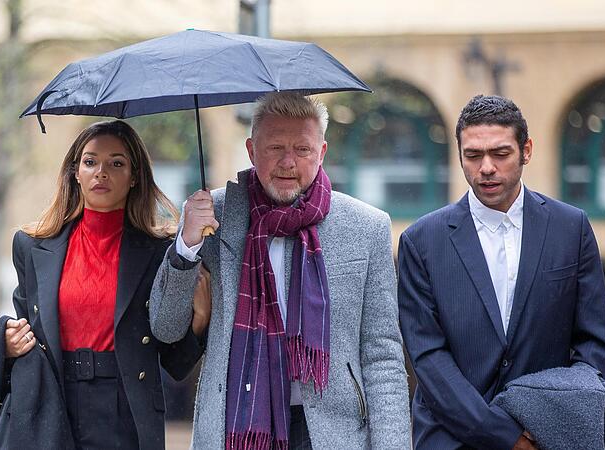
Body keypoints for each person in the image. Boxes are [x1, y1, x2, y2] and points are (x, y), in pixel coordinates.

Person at [149, 92, 411, 449]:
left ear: (322, 152)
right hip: (237, 427)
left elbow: (382, 356)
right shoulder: (212, 217)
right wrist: (186, 246)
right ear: (251, 150)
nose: (288, 162)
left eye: (302, 149)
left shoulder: (366, 227)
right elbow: (165, 327)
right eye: (275, 148)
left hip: (335, 435)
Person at [397, 94, 605, 449]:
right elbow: (428, 358)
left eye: (500, 154)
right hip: (452, 438)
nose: (486, 168)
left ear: (526, 150)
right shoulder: (420, 241)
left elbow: (594, 345)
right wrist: (505, 436)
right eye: (473, 155)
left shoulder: (571, 228)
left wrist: (567, 417)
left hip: (549, 437)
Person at [6, 120, 206, 449]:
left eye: (116, 163)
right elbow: (27, 334)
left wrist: (199, 320)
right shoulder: (31, 246)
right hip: (53, 403)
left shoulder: (160, 252)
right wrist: (9, 344)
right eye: (90, 162)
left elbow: (175, 362)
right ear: (75, 172)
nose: (101, 173)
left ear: (134, 176)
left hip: (127, 409)